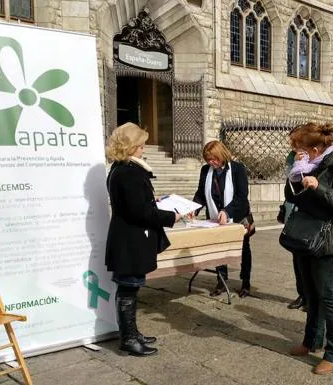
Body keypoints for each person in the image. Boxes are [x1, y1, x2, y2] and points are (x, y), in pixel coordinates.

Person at [284, 122, 333, 375]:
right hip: (307, 238)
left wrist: (319, 186)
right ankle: (311, 341)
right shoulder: (306, 167)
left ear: (315, 148)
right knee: (311, 294)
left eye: (300, 148)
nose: (297, 153)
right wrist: (296, 173)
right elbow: (292, 197)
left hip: (331, 242)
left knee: (330, 296)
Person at [105, 122, 184, 356]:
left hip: (128, 238)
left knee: (131, 287)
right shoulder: (128, 171)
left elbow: (136, 204)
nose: (143, 149)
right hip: (130, 240)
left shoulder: (122, 169)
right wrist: (172, 216)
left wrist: (153, 201)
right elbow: (138, 212)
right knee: (128, 288)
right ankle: (128, 339)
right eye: (140, 145)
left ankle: (132, 332)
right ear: (131, 147)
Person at [192, 140, 252, 298]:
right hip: (215, 216)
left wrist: (227, 211)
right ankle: (221, 279)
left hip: (238, 216)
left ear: (222, 155)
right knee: (217, 248)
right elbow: (200, 194)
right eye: (208, 159)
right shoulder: (206, 170)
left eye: (214, 159)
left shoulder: (237, 169)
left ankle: (245, 282)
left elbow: (242, 196)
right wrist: (194, 209)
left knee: (243, 249)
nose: (211, 162)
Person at [277, 150, 305, 311]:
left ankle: (312, 296)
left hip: (309, 216)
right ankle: (302, 294)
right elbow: (290, 184)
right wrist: (294, 163)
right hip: (293, 212)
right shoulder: (292, 155)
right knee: (297, 257)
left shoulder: (316, 155)